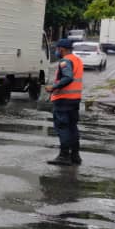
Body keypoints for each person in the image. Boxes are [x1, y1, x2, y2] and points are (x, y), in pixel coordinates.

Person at [45, 37, 83, 165]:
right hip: (74, 100)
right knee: (72, 127)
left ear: (61, 49)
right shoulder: (77, 60)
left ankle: (64, 156)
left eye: (57, 49)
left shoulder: (65, 62)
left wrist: (53, 87)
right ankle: (75, 156)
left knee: (63, 128)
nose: (56, 51)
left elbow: (68, 77)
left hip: (63, 101)